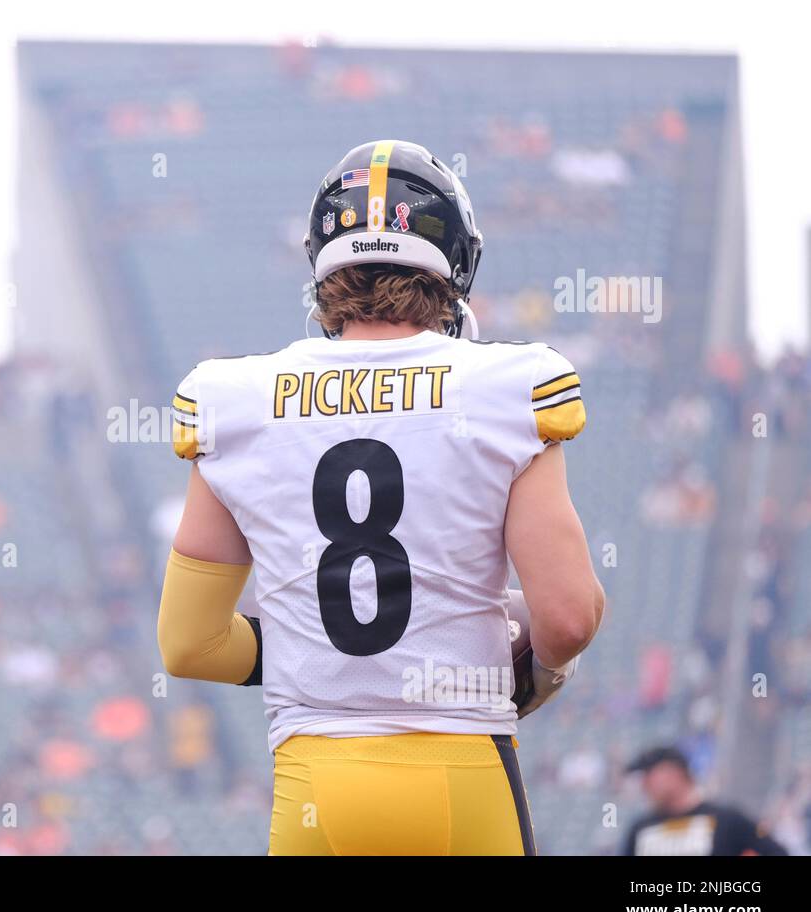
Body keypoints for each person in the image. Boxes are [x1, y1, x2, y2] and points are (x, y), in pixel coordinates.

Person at [156, 140, 604, 855]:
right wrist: (532, 670)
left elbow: (188, 643)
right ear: (453, 260)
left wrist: (316, 649)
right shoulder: (506, 389)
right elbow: (569, 617)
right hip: (463, 772)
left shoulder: (232, 401)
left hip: (316, 781)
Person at [621, 746, 787, 856]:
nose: (644, 785)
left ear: (673, 773)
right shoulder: (640, 829)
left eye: (649, 776)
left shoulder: (727, 820)